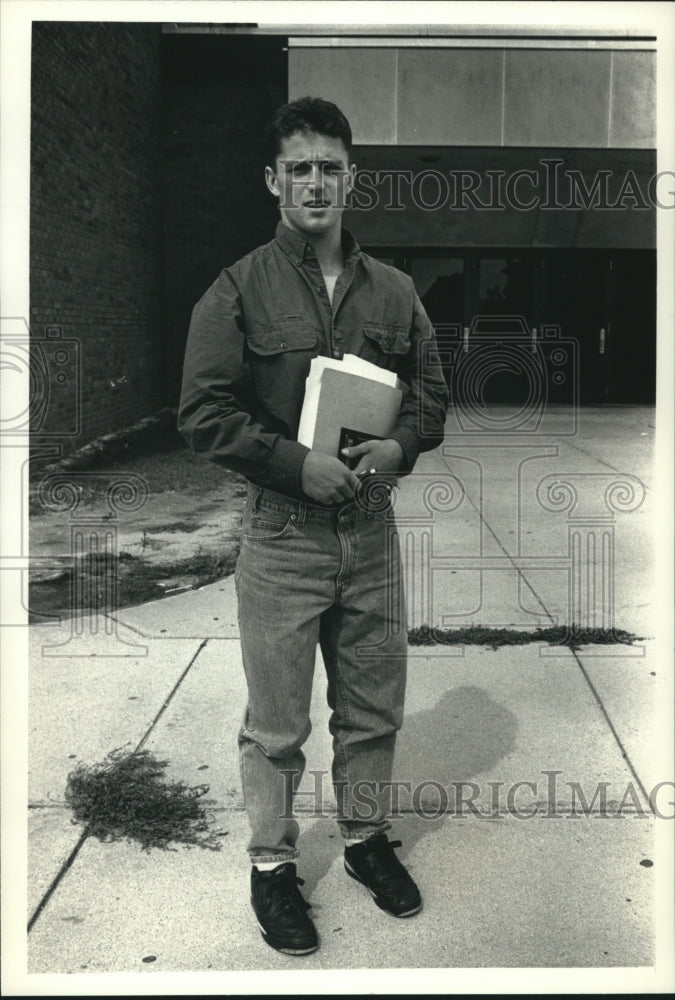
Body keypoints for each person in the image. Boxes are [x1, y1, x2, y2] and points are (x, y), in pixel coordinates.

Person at [178, 96, 448, 956]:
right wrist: (299, 466)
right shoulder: (236, 287)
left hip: (369, 532)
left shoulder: (396, 291)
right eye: (299, 167)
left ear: (350, 178)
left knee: (372, 710)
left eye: (330, 166)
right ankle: (271, 866)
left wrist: (399, 448)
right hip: (283, 535)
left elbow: (432, 394)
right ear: (273, 181)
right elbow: (202, 412)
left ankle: (367, 843)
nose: (315, 181)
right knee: (277, 725)